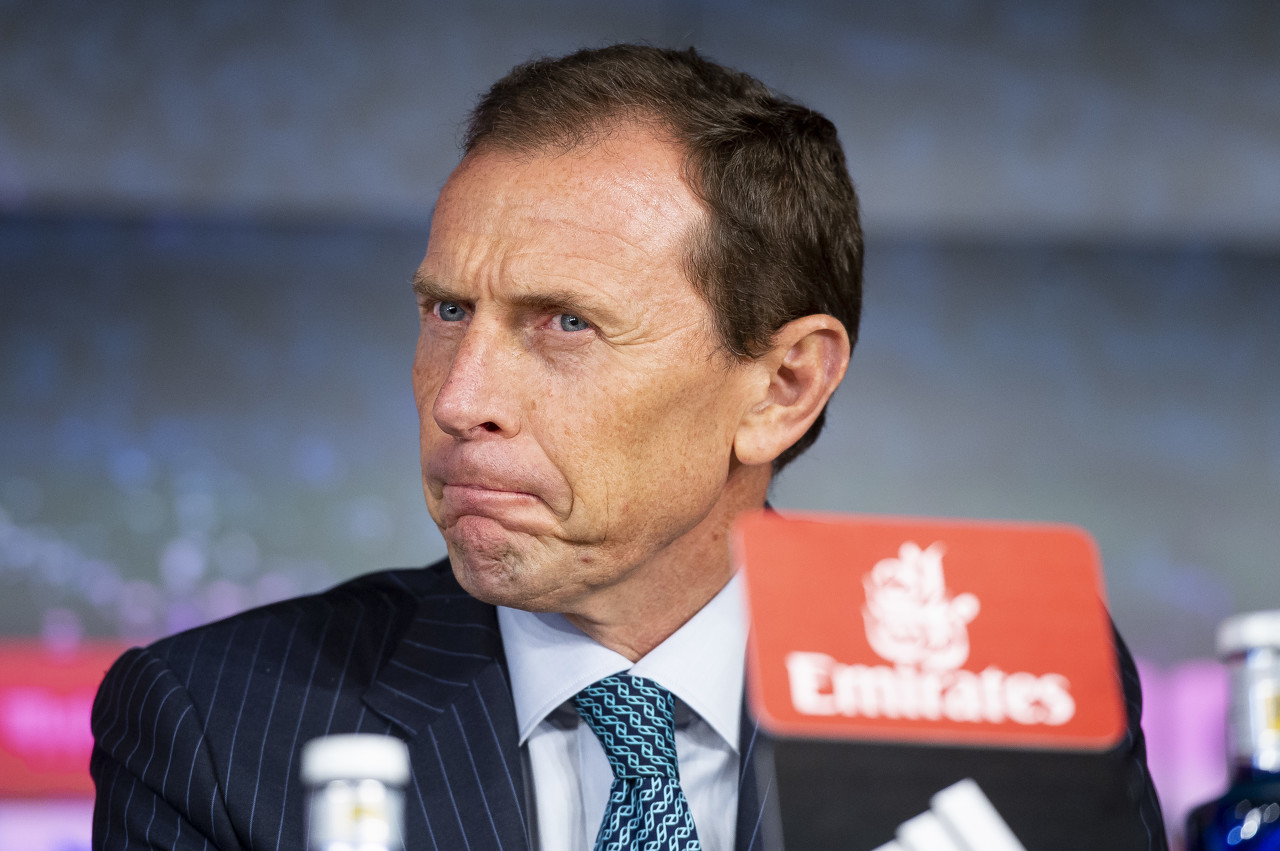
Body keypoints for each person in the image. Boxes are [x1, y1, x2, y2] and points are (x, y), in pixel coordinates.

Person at [90, 44, 1165, 851]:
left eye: (566, 322)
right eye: (448, 310)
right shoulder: (213, 724)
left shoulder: (1003, 692)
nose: (461, 398)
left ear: (783, 385)